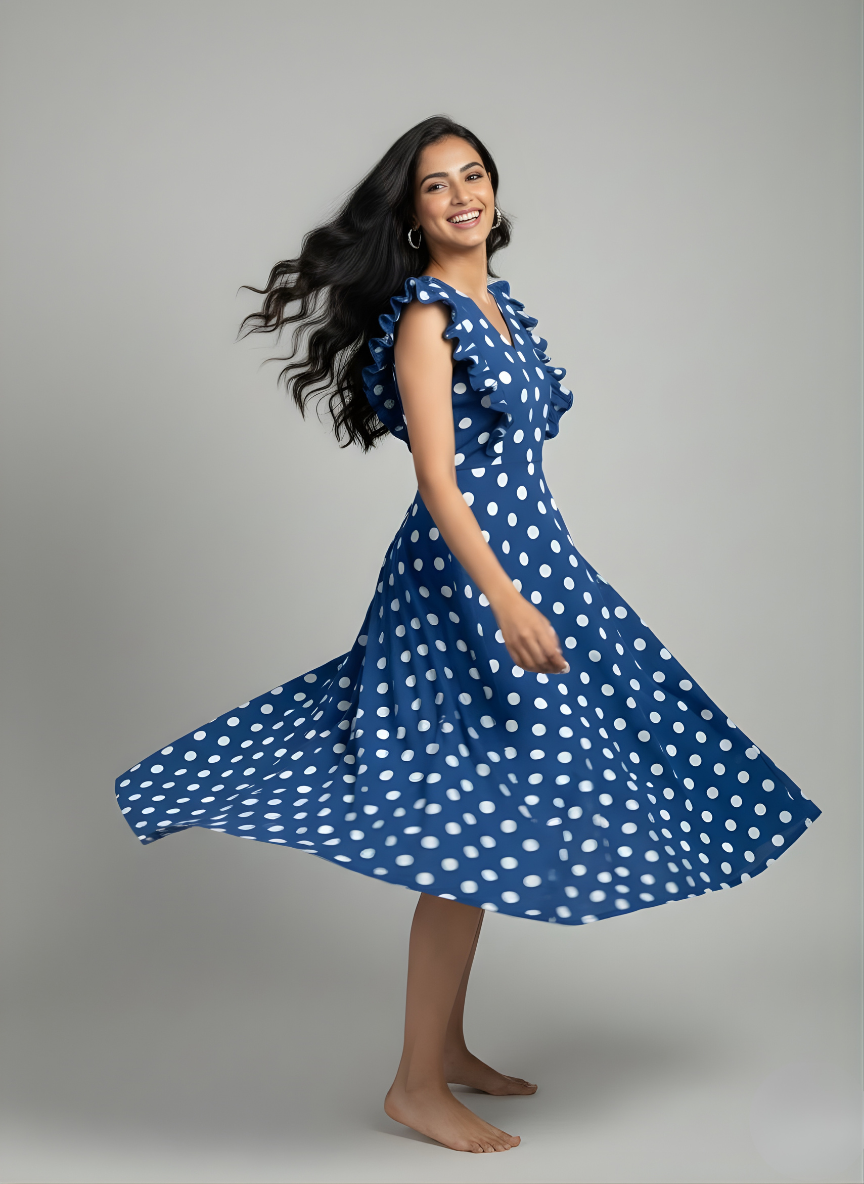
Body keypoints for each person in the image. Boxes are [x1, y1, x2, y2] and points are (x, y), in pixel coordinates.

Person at [114, 116, 822, 1154]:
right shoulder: (428, 318)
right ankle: (413, 1083)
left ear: (494, 189)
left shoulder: (501, 305)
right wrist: (503, 595)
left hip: (533, 565)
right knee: (467, 815)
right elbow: (440, 483)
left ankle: (444, 1048)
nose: (461, 195)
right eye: (436, 184)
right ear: (410, 214)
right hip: (467, 580)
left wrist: (543, 581)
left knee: (492, 804)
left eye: (474, 175)